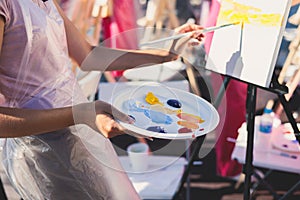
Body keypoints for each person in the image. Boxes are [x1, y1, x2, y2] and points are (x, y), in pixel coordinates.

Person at [0, 0, 203, 199]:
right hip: (43, 151)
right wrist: (82, 114)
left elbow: (88, 56)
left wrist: (163, 54)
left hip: (78, 131)